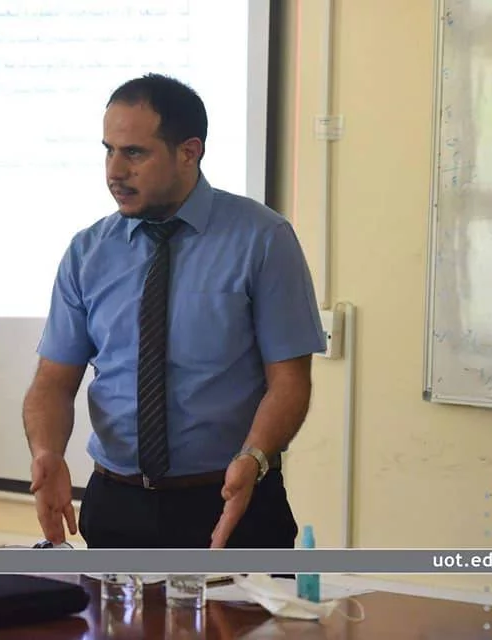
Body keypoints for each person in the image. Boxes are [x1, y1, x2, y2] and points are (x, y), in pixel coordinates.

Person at [22, 73, 326, 549]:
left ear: (189, 152)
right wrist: (47, 451)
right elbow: (53, 383)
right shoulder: (87, 252)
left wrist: (255, 457)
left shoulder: (263, 240)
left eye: (134, 153)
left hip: (230, 500)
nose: (114, 171)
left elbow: (289, 382)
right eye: (108, 150)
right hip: (116, 505)